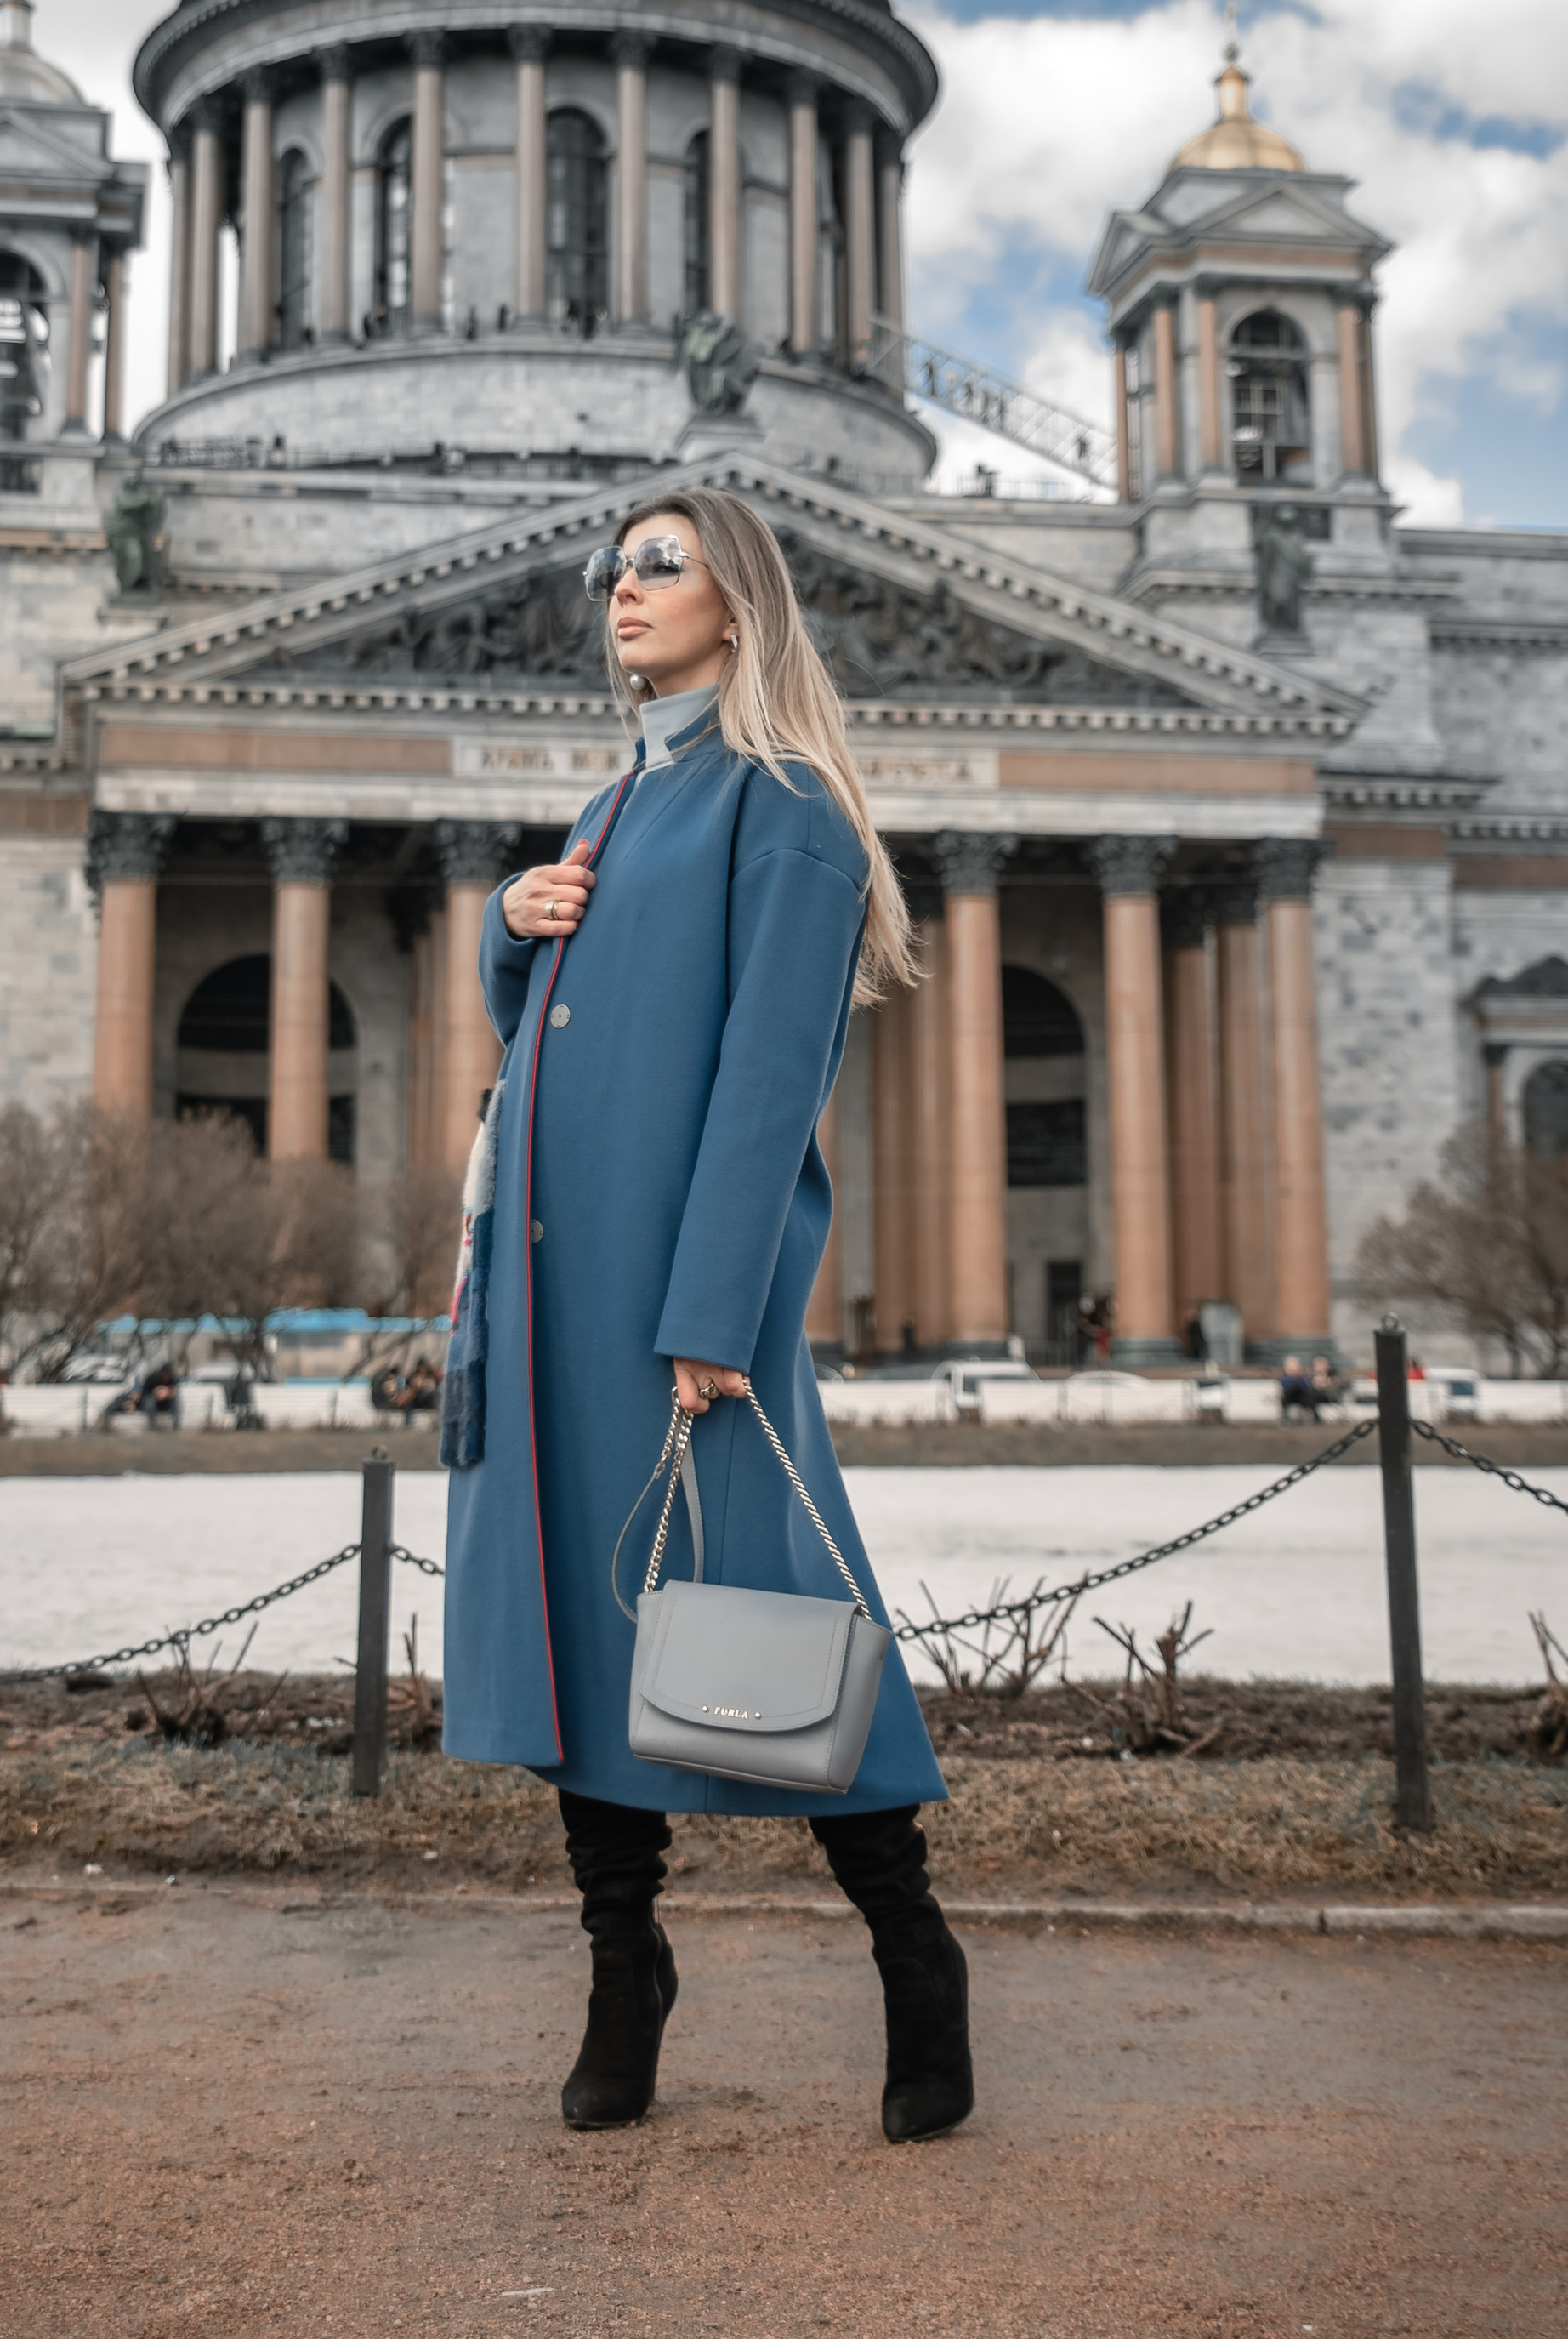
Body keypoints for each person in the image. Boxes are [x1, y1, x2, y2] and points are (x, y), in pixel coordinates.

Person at [441, 487, 969, 2144]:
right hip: (548, 1286)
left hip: (673, 1305)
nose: (620, 592)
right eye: (613, 571)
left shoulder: (782, 804)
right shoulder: (617, 799)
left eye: (657, 567)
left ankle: (913, 1952)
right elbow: (563, 1035)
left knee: (779, 1621)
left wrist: (711, 1310)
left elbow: (764, 1084)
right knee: (578, 1645)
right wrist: (506, 929)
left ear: (736, 601)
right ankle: (623, 1971)